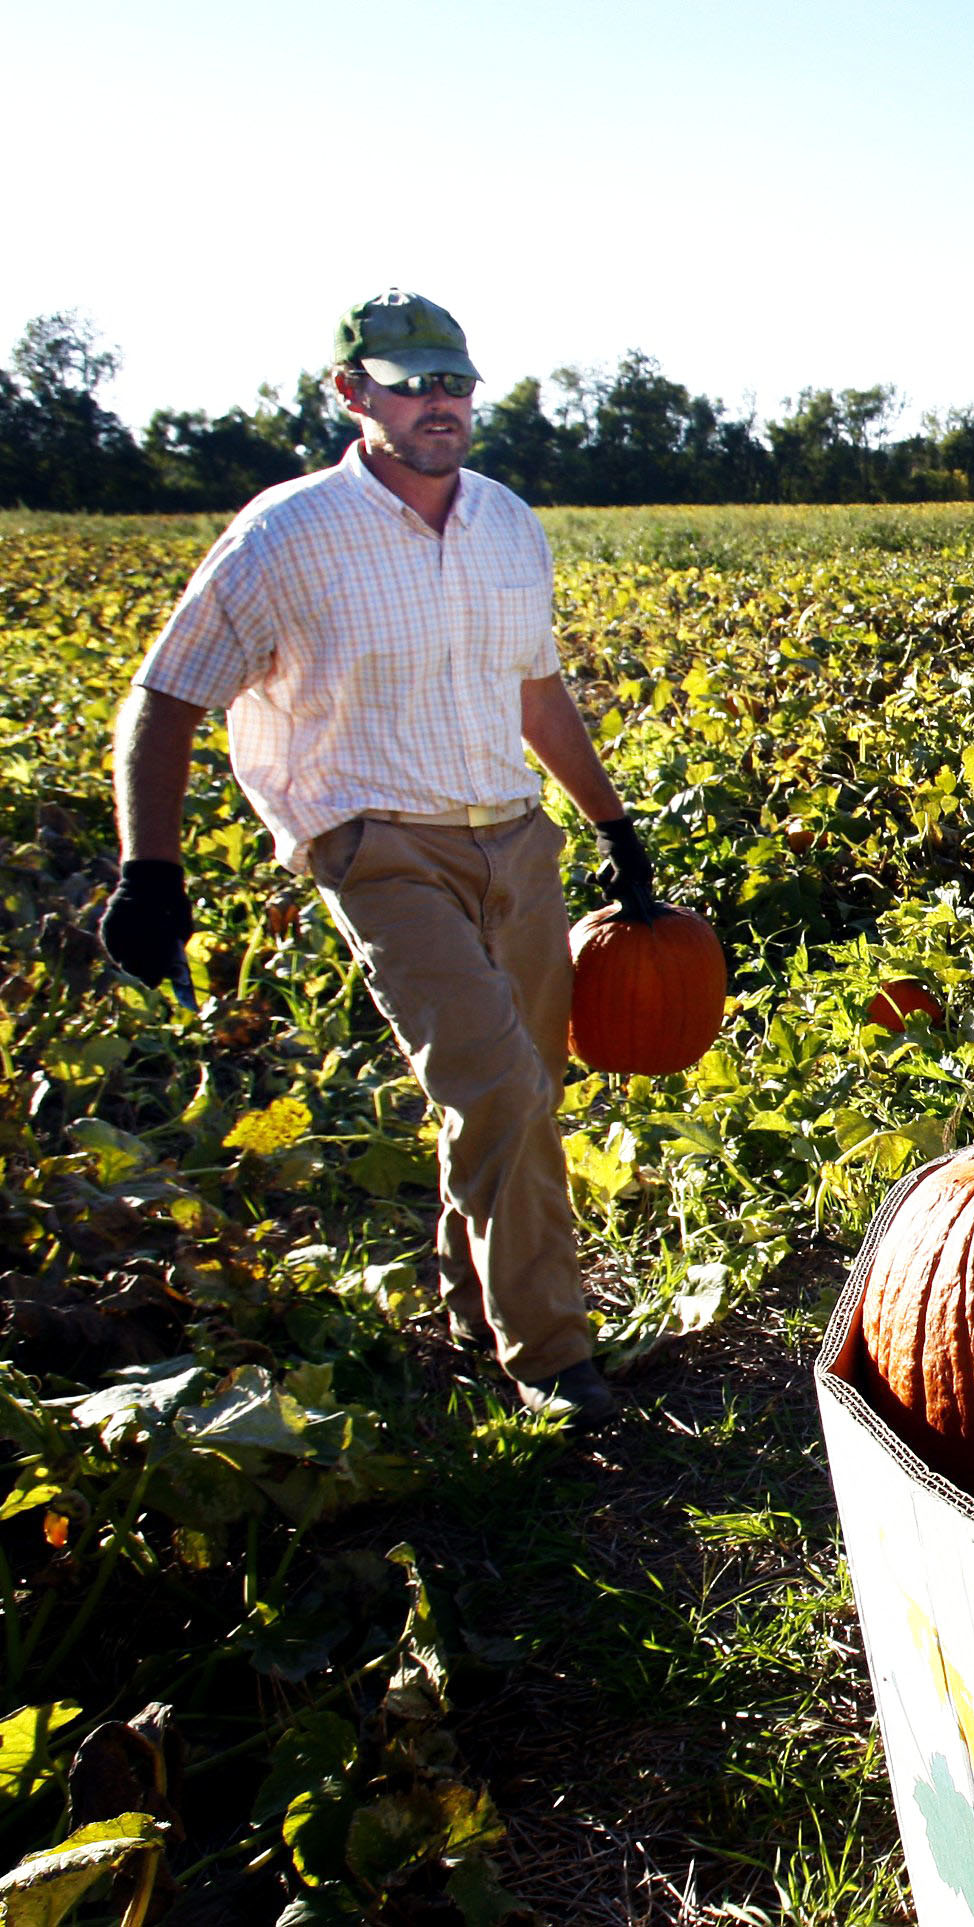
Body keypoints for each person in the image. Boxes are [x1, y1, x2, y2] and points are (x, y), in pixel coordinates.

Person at [98, 289, 660, 1427]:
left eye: (453, 380)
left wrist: (611, 825)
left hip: (512, 833)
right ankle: (555, 1359)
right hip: (378, 843)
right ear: (352, 394)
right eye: (410, 382)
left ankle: (472, 1307)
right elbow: (162, 702)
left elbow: (535, 692)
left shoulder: (506, 519)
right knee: (496, 1081)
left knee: (522, 1089)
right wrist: (148, 870)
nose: (439, 401)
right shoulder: (286, 534)